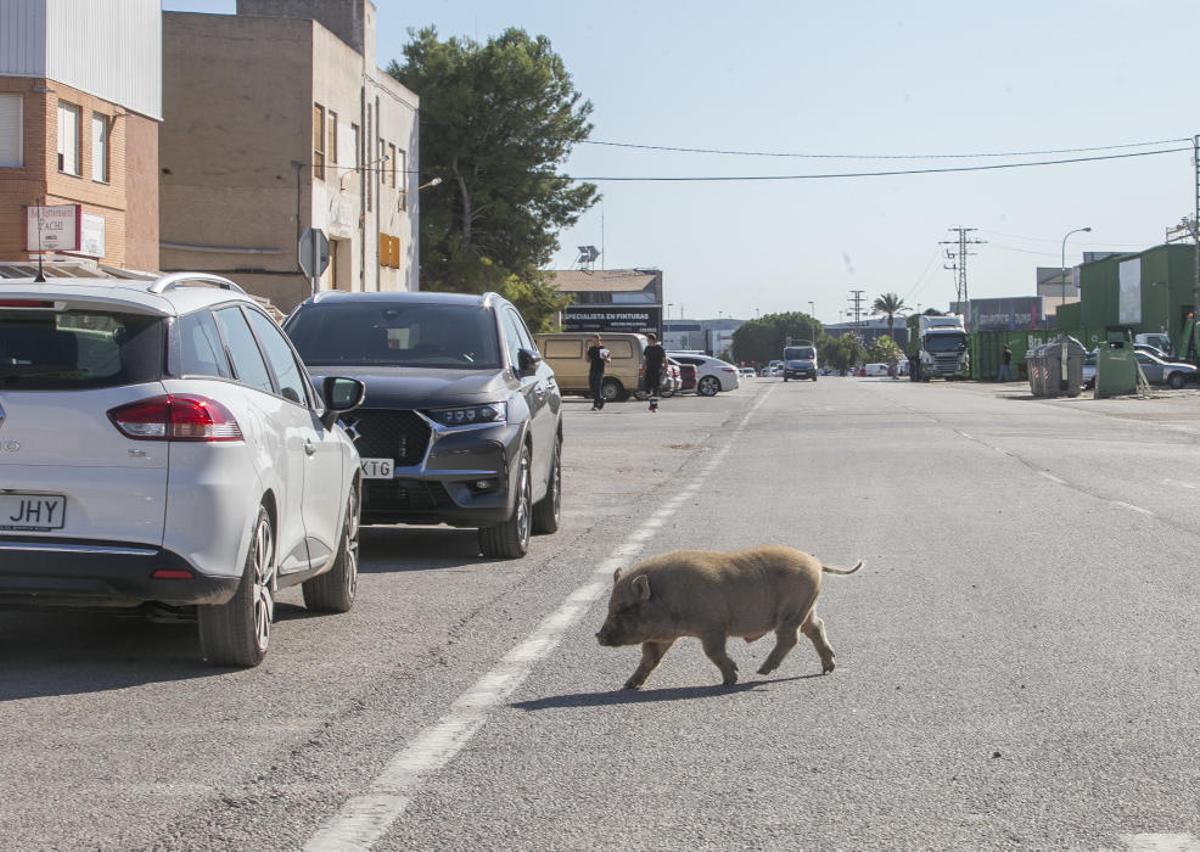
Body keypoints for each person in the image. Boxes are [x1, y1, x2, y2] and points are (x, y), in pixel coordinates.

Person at [643, 332, 666, 412]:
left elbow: (664, 359)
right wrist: (643, 368)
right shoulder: (647, 348)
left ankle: (654, 406)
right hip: (649, 370)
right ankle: (652, 404)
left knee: (655, 389)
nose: (647, 341)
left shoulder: (659, 348)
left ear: (652, 340)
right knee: (646, 388)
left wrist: (665, 369)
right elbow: (645, 359)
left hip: (657, 370)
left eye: (648, 340)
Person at [586, 335, 610, 410]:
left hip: (599, 371)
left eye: (594, 340)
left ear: (598, 340)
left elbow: (609, 361)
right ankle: (602, 399)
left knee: (597, 388)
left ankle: (595, 405)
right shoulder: (591, 349)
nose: (593, 342)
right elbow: (588, 360)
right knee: (592, 388)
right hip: (592, 370)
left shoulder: (604, 349)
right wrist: (586, 352)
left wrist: (605, 358)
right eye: (592, 340)